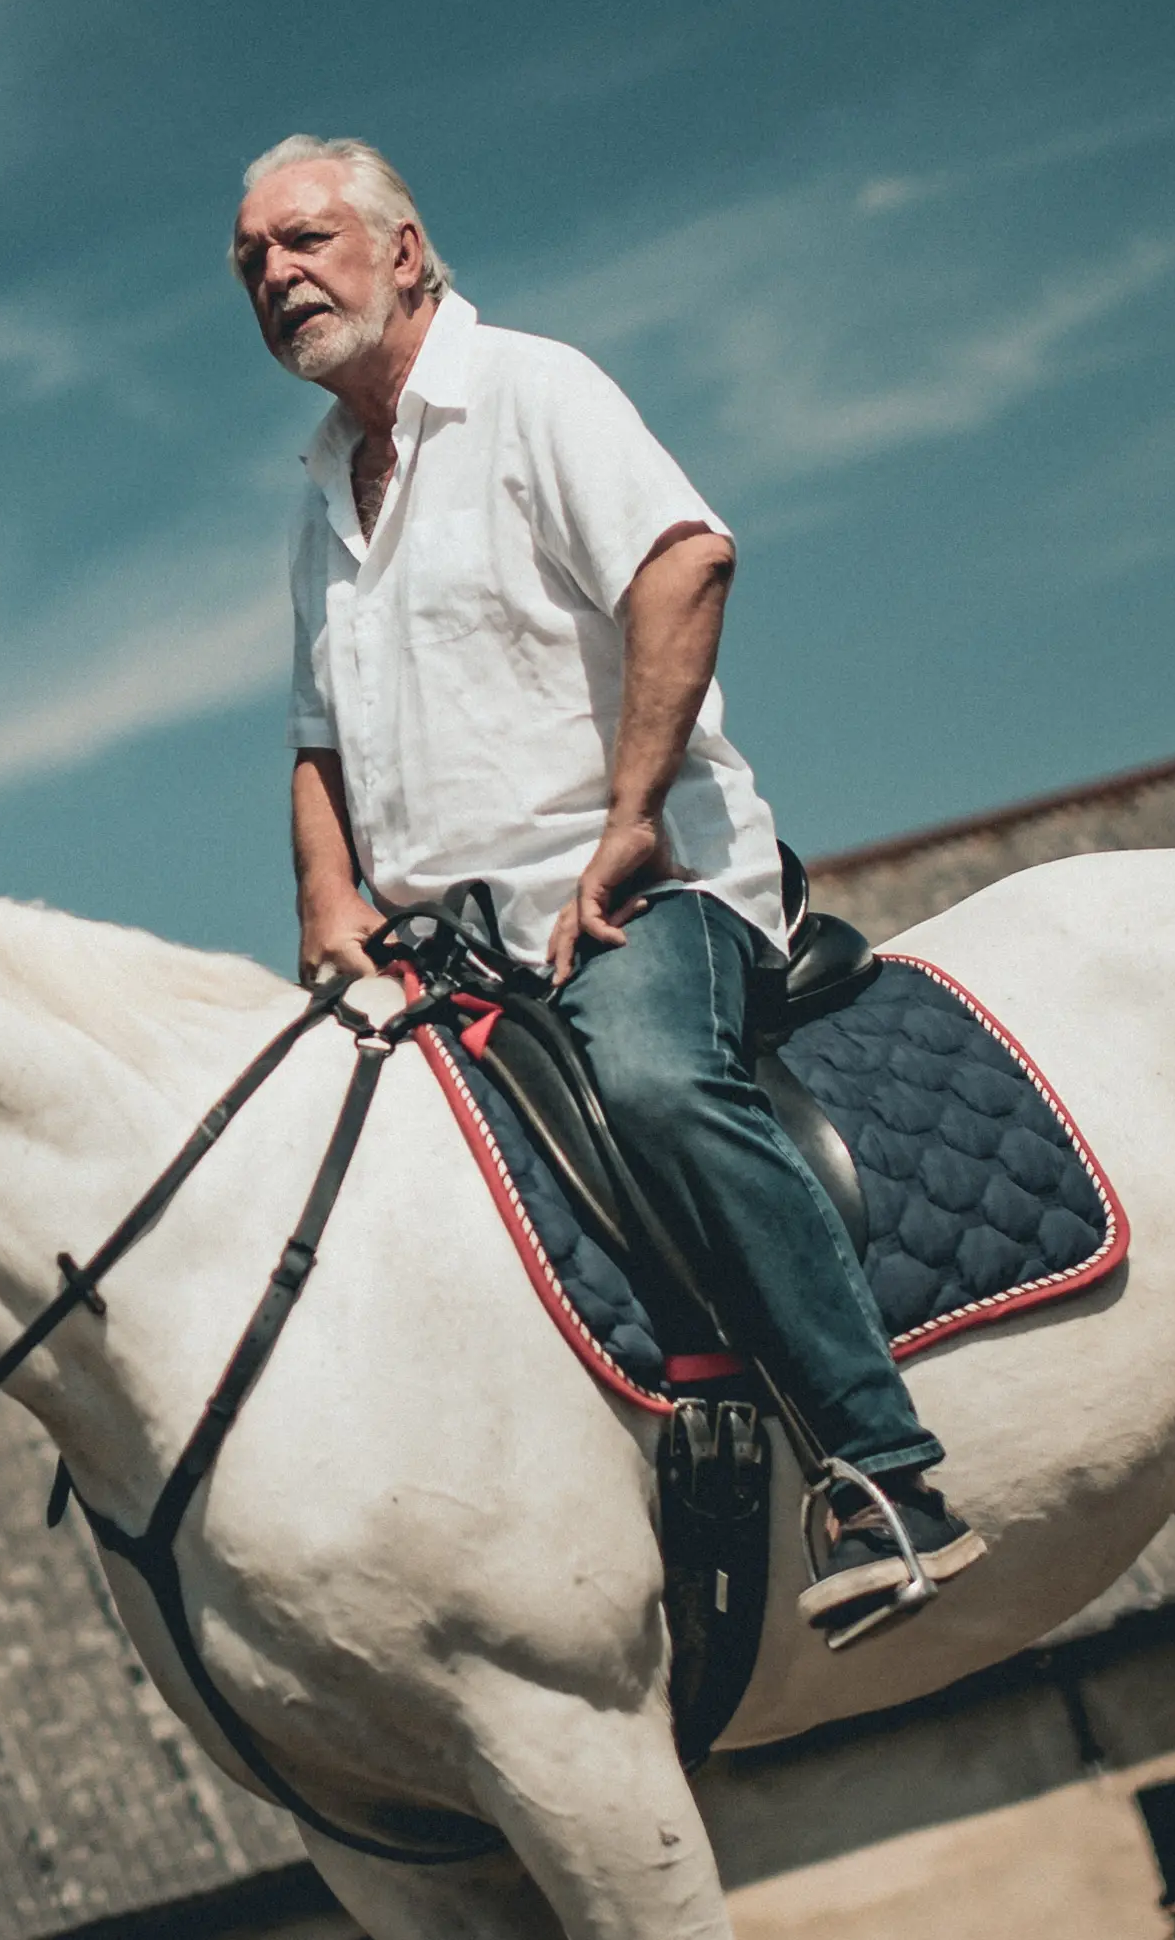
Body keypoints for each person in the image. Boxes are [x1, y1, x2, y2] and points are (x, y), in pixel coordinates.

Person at [232, 135, 985, 1644]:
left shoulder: (532, 391)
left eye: (305, 239)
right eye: (250, 261)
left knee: (651, 1081)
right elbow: (316, 737)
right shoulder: (318, 497)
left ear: (406, 249)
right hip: (450, 954)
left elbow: (684, 559)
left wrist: (630, 818)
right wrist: (326, 904)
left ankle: (879, 1470)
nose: (276, 276)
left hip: (637, 894)